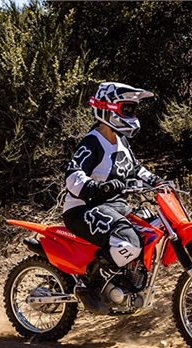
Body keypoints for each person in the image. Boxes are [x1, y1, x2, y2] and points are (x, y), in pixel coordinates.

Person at [62, 82, 164, 315]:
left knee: (152, 227)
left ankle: (128, 282)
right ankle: (90, 285)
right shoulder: (93, 142)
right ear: (108, 108)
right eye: (127, 109)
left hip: (113, 206)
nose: (132, 115)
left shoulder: (121, 141)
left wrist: (159, 181)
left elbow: (136, 169)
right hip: (83, 208)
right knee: (127, 241)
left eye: (133, 110)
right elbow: (72, 177)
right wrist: (100, 187)